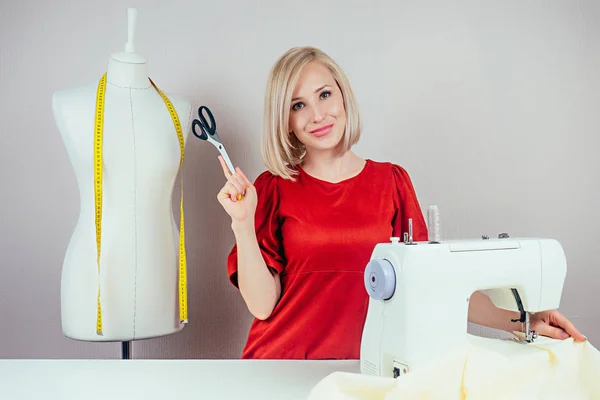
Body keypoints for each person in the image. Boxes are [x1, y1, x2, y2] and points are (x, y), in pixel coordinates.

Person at [216, 46, 586, 360]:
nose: (317, 115)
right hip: (280, 366)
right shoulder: (273, 189)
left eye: (325, 95)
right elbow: (263, 306)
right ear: (287, 122)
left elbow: (432, 283)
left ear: (343, 97)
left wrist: (525, 321)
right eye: (299, 104)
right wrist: (242, 223)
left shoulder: (391, 182)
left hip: (368, 370)